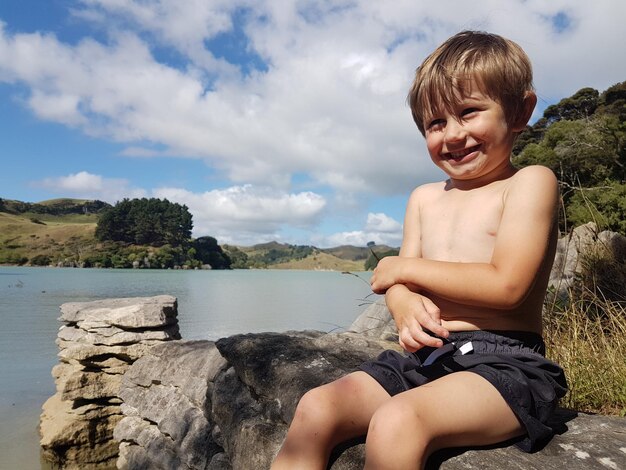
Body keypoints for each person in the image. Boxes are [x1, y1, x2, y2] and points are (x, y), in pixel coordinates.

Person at [271, 30, 567, 470]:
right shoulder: (424, 198)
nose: (453, 135)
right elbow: (396, 282)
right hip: (426, 358)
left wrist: (402, 268)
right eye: (436, 123)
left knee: (398, 420)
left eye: (469, 112)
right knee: (317, 406)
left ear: (521, 110)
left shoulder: (528, 183)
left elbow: (508, 286)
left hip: (506, 364)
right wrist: (404, 301)